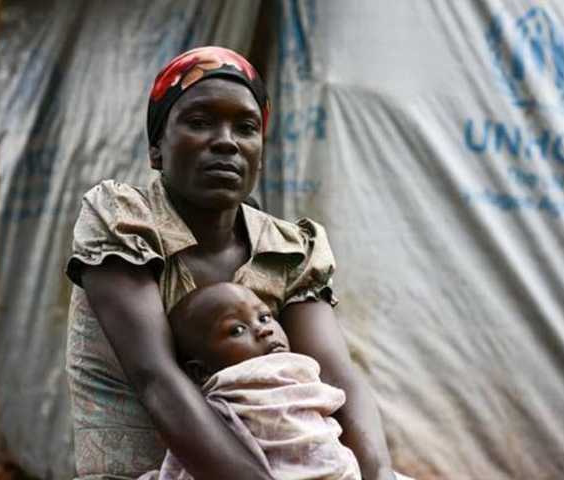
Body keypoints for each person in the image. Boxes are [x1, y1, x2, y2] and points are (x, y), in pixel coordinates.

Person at [65, 46, 396, 480]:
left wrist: (377, 474)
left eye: (246, 127)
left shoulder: (289, 249)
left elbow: (337, 380)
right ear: (156, 149)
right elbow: (156, 379)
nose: (226, 141)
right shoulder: (124, 220)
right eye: (200, 122)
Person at [140, 281, 362, 480]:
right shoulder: (217, 407)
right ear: (200, 372)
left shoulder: (303, 374)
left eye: (264, 317)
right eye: (237, 330)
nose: (263, 329)